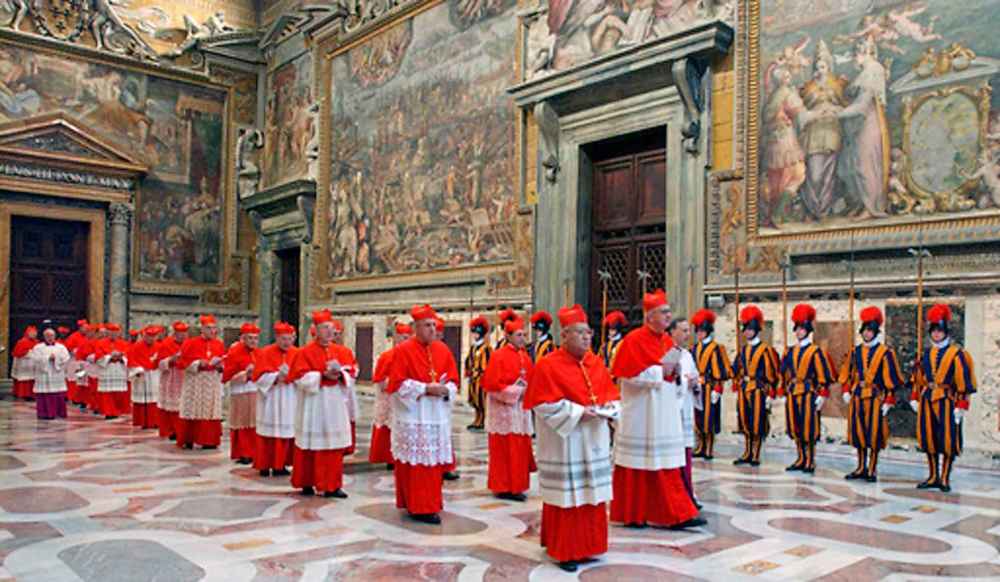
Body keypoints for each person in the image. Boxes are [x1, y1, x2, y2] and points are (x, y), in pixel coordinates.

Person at [524, 304, 620, 572]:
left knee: (591, 494)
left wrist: (609, 410)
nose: (587, 337)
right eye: (579, 333)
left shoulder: (596, 362)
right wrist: (578, 412)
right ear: (564, 335)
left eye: (588, 333)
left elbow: (611, 395)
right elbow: (542, 404)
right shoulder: (547, 365)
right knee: (568, 496)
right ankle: (565, 550)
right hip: (566, 442)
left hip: (594, 438)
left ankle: (590, 546)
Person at [610, 290, 703, 530]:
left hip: (663, 412)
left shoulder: (667, 342)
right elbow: (627, 374)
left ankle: (674, 513)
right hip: (642, 413)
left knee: (665, 464)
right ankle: (635, 514)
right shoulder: (633, 340)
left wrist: (676, 374)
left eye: (669, 312)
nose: (668, 316)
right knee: (640, 465)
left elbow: (671, 374)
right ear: (649, 316)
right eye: (664, 312)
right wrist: (659, 372)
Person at [387, 304, 459, 524]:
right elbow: (397, 385)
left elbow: (454, 380)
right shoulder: (403, 350)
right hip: (414, 416)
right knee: (417, 466)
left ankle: (429, 503)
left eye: (433, 325)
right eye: (427, 325)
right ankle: (418, 505)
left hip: (436, 415)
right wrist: (425, 389)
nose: (432, 329)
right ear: (416, 327)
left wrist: (447, 389)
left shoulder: (443, 350)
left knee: (432, 465)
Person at [287, 310, 354, 498]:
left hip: (334, 402)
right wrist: (321, 375)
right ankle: (306, 482)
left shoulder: (341, 351)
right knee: (311, 443)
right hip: (314, 403)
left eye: (332, 328)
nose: (330, 332)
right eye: (325, 328)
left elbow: (352, 371)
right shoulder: (304, 352)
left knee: (333, 444)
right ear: (315, 330)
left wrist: (341, 374)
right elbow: (299, 378)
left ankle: (332, 485)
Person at [909, 304, 976, 492]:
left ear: (946, 332)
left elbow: (964, 381)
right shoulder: (926, 354)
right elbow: (918, 378)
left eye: (940, 331)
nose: (937, 335)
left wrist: (961, 405)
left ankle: (945, 477)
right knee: (929, 438)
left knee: (947, 439)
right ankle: (932, 476)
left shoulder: (958, 355)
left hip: (947, 400)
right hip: (928, 398)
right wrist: (915, 396)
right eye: (934, 331)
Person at [838, 306, 902, 482]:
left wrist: (889, 400)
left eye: (870, 331)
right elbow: (847, 373)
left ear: (876, 332)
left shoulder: (886, 353)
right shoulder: (855, 351)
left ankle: (872, 468)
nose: (867, 334)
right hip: (857, 395)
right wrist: (845, 390)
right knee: (858, 433)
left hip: (875, 397)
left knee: (874, 433)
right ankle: (860, 466)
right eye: (865, 331)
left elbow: (891, 379)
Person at [481, 316, 536, 502]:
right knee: (504, 450)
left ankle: (517, 486)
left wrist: (528, 391)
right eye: (519, 335)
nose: (523, 338)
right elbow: (491, 385)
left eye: (524, 335)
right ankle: (503, 486)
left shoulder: (526, 357)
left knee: (519, 449)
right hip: (503, 411)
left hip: (521, 411)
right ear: (508, 336)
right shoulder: (498, 356)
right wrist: (515, 392)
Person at [775, 304, 833, 474]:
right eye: (797, 329)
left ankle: (810, 459)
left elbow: (823, 374)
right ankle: (800, 457)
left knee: (809, 427)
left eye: (802, 329)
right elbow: (783, 372)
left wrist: (822, 393)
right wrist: (782, 390)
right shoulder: (790, 351)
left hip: (808, 393)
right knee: (796, 426)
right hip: (793, 391)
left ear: (808, 330)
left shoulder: (815, 351)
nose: (799, 332)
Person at [732, 306, 780, 466]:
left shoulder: (766, 350)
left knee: (757, 422)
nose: (747, 332)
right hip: (744, 389)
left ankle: (756, 453)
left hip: (759, 390)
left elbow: (772, 374)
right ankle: (747, 451)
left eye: (750, 329)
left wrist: (771, 394)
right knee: (744, 421)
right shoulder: (743, 350)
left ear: (756, 330)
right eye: (745, 329)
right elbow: (736, 369)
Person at [252, 322, 299, 477]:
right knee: (268, 433)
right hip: (271, 397)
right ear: (277, 338)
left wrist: (293, 377)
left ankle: (281, 465)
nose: (287, 343)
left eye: (290, 339)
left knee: (286, 432)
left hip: (289, 396)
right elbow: (258, 378)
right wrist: (275, 377)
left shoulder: (297, 353)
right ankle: (264, 465)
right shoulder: (265, 353)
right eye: (284, 339)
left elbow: (302, 375)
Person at [175, 315, 226, 450]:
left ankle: (209, 440)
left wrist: (220, 367)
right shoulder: (190, 343)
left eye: (214, 328)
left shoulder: (219, 344)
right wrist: (198, 362)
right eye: (208, 328)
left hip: (212, 381)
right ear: (201, 329)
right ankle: (189, 438)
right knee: (193, 409)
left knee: (210, 411)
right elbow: (182, 362)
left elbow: (224, 361)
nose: (212, 331)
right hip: (195, 381)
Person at [369, 322, 411, 469]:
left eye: (408, 338)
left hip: (407, 398)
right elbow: (380, 380)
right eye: (404, 338)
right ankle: (389, 458)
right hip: (389, 398)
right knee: (388, 425)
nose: (406, 341)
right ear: (396, 338)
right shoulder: (386, 356)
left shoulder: (412, 356)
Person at [691, 309, 732, 460]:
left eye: (702, 331)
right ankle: (700, 445)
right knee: (698, 418)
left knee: (709, 418)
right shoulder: (695, 348)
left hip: (710, 387)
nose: (699, 334)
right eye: (698, 331)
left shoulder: (717, 348)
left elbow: (722, 371)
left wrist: (718, 389)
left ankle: (709, 447)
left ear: (708, 332)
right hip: (697, 387)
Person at [669, 317, 700, 505]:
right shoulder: (669, 354)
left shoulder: (687, 355)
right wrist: (685, 382)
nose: (688, 334)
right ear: (672, 332)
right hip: (674, 412)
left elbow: (694, 376)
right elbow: (668, 382)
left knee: (687, 454)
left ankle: (689, 492)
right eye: (684, 330)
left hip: (686, 409)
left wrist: (696, 384)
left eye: (689, 330)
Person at [223, 323, 261, 465]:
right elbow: (228, 375)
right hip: (241, 391)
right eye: (250, 338)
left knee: (255, 422)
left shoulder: (259, 353)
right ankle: (244, 452)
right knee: (242, 422)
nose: (253, 341)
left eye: (256, 339)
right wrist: (246, 374)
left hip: (256, 391)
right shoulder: (234, 352)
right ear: (243, 338)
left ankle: (255, 451)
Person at [28, 327, 71, 420]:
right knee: (44, 394)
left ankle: (59, 413)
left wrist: (56, 359)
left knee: (57, 394)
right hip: (44, 375)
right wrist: (47, 358)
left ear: (55, 336)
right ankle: (45, 413)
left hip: (57, 374)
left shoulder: (61, 347)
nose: (50, 337)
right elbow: (35, 359)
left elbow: (66, 358)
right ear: (44, 337)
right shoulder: (38, 347)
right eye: (47, 336)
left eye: (51, 335)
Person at [155, 322, 188, 440]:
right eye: (180, 333)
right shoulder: (166, 344)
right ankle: (171, 430)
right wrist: (171, 359)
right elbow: (159, 363)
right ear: (175, 333)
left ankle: (182, 431)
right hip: (171, 378)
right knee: (171, 406)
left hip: (185, 377)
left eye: (185, 333)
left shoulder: (189, 344)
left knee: (183, 406)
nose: (183, 336)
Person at [95, 323, 131, 419]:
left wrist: (121, 357)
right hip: (107, 370)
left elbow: (128, 356)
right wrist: (110, 357)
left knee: (119, 393)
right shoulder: (100, 343)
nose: (113, 334)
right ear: (108, 332)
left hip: (119, 370)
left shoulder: (124, 343)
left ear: (119, 333)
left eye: (115, 332)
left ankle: (117, 411)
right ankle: (109, 412)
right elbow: (98, 357)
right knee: (107, 394)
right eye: (111, 332)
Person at [128, 326, 161, 429]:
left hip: (155, 375)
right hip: (142, 375)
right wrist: (138, 370)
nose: (151, 338)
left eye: (153, 336)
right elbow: (131, 361)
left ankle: (155, 421)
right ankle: (142, 421)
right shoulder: (136, 347)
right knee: (142, 400)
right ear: (144, 336)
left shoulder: (160, 346)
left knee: (156, 399)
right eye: (149, 336)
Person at [464, 316, 492, 431]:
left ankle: (481, 420)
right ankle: (476, 418)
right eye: (473, 333)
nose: (474, 335)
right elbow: (468, 360)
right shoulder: (473, 348)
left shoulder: (487, 348)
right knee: (474, 400)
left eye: (476, 333)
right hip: (473, 378)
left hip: (482, 378)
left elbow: (489, 364)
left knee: (481, 401)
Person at [11, 326, 38, 401]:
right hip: (23, 364)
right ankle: (23, 394)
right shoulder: (21, 342)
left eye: (35, 333)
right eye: (32, 333)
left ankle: (31, 394)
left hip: (33, 365)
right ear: (27, 333)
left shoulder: (37, 342)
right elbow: (17, 353)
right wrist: (28, 352)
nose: (34, 334)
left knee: (32, 379)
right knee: (24, 379)